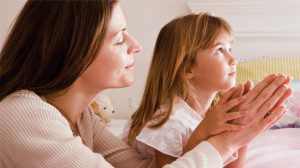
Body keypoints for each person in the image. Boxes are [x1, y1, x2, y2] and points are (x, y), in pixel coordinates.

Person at [0, 1, 292, 167]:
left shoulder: (84, 118)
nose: (136, 46)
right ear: (73, 52)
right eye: (119, 38)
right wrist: (226, 141)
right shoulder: (22, 114)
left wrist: (233, 132)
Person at [120, 13, 292, 167]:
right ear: (188, 68)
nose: (233, 59)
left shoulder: (215, 111)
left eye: (229, 49)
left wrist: (244, 129)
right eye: (219, 50)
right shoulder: (168, 122)